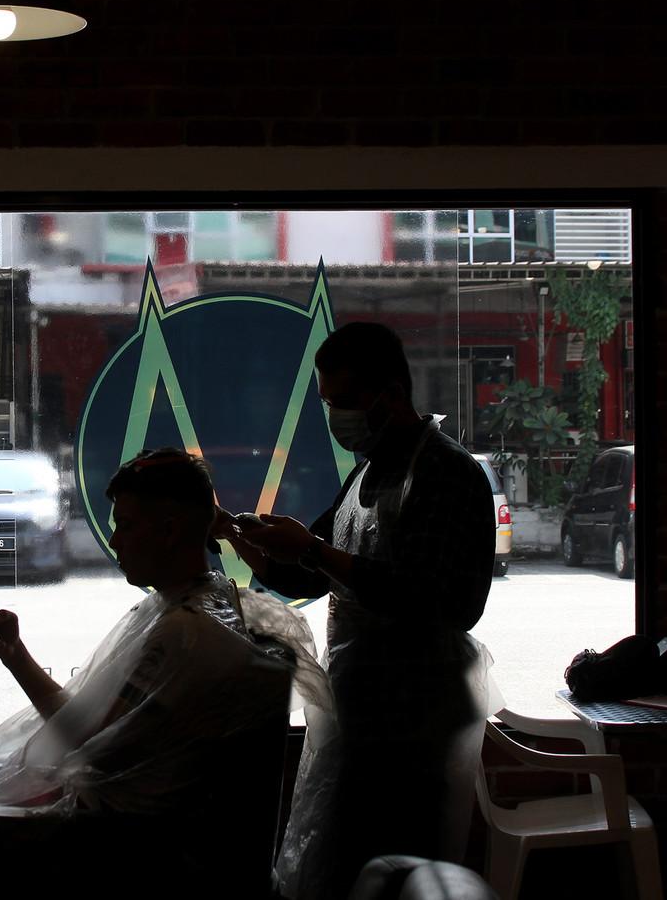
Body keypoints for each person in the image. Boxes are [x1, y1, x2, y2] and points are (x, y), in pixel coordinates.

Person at [0, 449, 329, 900]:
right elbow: (100, 739)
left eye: (125, 525)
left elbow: (88, 745)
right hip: (128, 814)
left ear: (167, 530)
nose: (115, 540)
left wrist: (16, 657)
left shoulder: (185, 634)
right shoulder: (196, 606)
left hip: (124, 841)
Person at [213, 322, 501, 900]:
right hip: (360, 711)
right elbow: (303, 577)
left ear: (390, 394)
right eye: (327, 404)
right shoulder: (366, 475)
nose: (335, 417)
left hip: (418, 722)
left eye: (343, 402)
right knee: (342, 870)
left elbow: (438, 601)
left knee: (398, 873)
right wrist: (232, 532)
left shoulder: (446, 473)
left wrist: (315, 551)